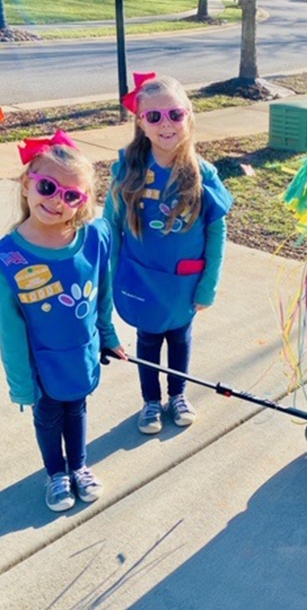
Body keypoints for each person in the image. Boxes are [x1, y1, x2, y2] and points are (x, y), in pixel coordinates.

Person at [0, 131, 126, 512]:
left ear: (82, 202)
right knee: (50, 414)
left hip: (81, 353)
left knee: (78, 408)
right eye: (48, 187)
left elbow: (102, 294)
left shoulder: (93, 239)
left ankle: (80, 466)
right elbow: (9, 329)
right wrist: (22, 383)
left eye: (71, 195)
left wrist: (107, 335)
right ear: (26, 184)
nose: (57, 201)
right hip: (42, 363)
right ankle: (56, 473)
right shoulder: (8, 258)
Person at [105, 73, 233, 435]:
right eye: (154, 116)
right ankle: (150, 400)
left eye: (175, 114)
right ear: (141, 123)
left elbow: (216, 231)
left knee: (179, 338)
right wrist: (109, 276)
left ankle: (177, 394)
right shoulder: (128, 171)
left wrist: (208, 286)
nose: (166, 124)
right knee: (147, 341)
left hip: (184, 283)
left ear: (189, 117)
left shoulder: (202, 173)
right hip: (141, 279)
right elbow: (110, 229)